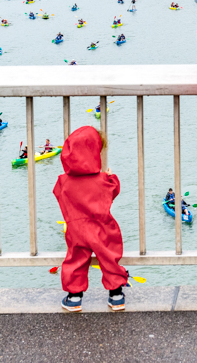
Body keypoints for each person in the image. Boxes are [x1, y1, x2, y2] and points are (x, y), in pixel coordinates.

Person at [53, 126, 128, 312]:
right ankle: (116, 295)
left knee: (75, 260)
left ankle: (74, 298)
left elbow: (58, 195)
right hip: (102, 227)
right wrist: (112, 177)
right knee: (109, 258)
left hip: (76, 229)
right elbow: (113, 192)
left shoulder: (63, 181)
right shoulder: (103, 179)